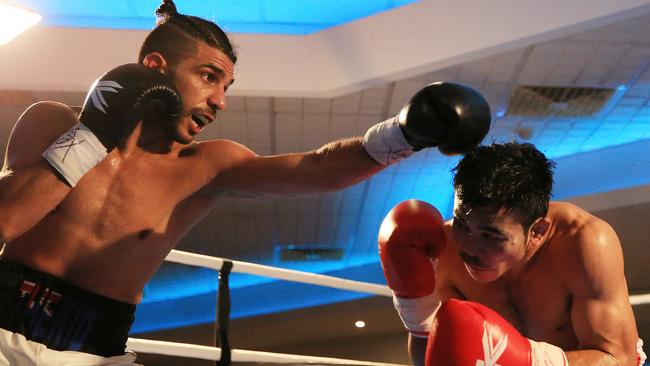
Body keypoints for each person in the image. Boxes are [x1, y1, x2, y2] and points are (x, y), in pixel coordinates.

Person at [0, 0, 492, 364]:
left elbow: (315, 169)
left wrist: (404, 134)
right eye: (209, 77)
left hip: (95, 348)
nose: (220, 101)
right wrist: (94, 133)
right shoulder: (51, 122)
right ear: (154, 68)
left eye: (227, 86)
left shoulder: (208, 166)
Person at [379, 142, 646, 365]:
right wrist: (415, 311)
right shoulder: (444, 250)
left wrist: (525, 361)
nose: (469, 247)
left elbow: (616, 358)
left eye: (491, 235)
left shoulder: (583, 242)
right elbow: (428, 354)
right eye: (461, 224)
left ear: (538, 231)